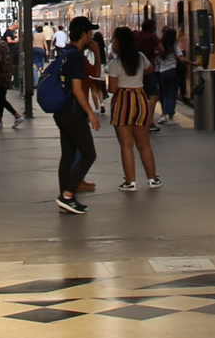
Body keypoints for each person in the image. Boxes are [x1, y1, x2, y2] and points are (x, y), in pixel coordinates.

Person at [53, 17, 102, 213]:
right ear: (83, 34)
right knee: (89, 154)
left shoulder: (64, 53)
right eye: (89, 32)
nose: (91, 35)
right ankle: (67, 195)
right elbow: (76, 88)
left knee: (68, 155)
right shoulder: (76, 57)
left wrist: (96, 53)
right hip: (73, 113)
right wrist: (91, 113)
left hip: (62, 111)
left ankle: (66, 197)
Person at [108, 26, 159, 190]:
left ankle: (131, 182)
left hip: (123, 101)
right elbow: (150, 70)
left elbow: (113, 89)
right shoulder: (141, 57)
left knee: (126, 145)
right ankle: (152, 179)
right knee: (144, 145)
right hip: (140, 99)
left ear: (118, 42)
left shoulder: (115, 64)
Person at [0, 28, 24, 126]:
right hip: (7, 73)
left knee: (1, 98)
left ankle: (17, 115)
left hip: (1, 74)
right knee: (1, 97)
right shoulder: (3, 43)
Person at [154, 27, 185, 126]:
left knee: (165, 94)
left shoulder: (161, 46)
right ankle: (170, 117)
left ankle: (163, 115)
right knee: (172, 94)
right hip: (172, 71)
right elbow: (181, 58)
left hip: (162, 72)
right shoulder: (174, 45)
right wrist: (192, 63)